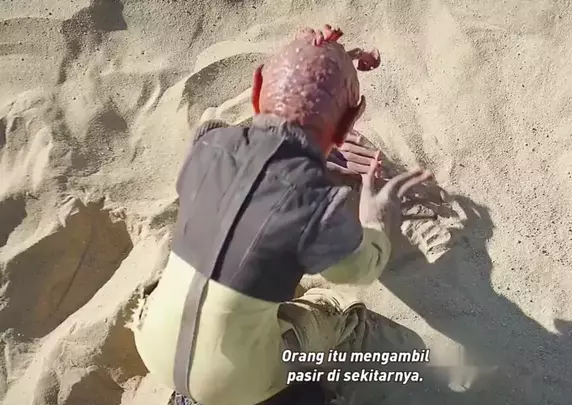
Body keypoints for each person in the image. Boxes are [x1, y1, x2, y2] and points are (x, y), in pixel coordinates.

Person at [130, 24, 432, 405]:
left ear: (256, 89)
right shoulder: (321, 203)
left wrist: (306, 79)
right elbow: (360, 270)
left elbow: (255, 158)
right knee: (330, 309)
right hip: (232, 379)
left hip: (150, 338)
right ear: (346, 127)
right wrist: (375, 218)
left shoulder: (207, 142)